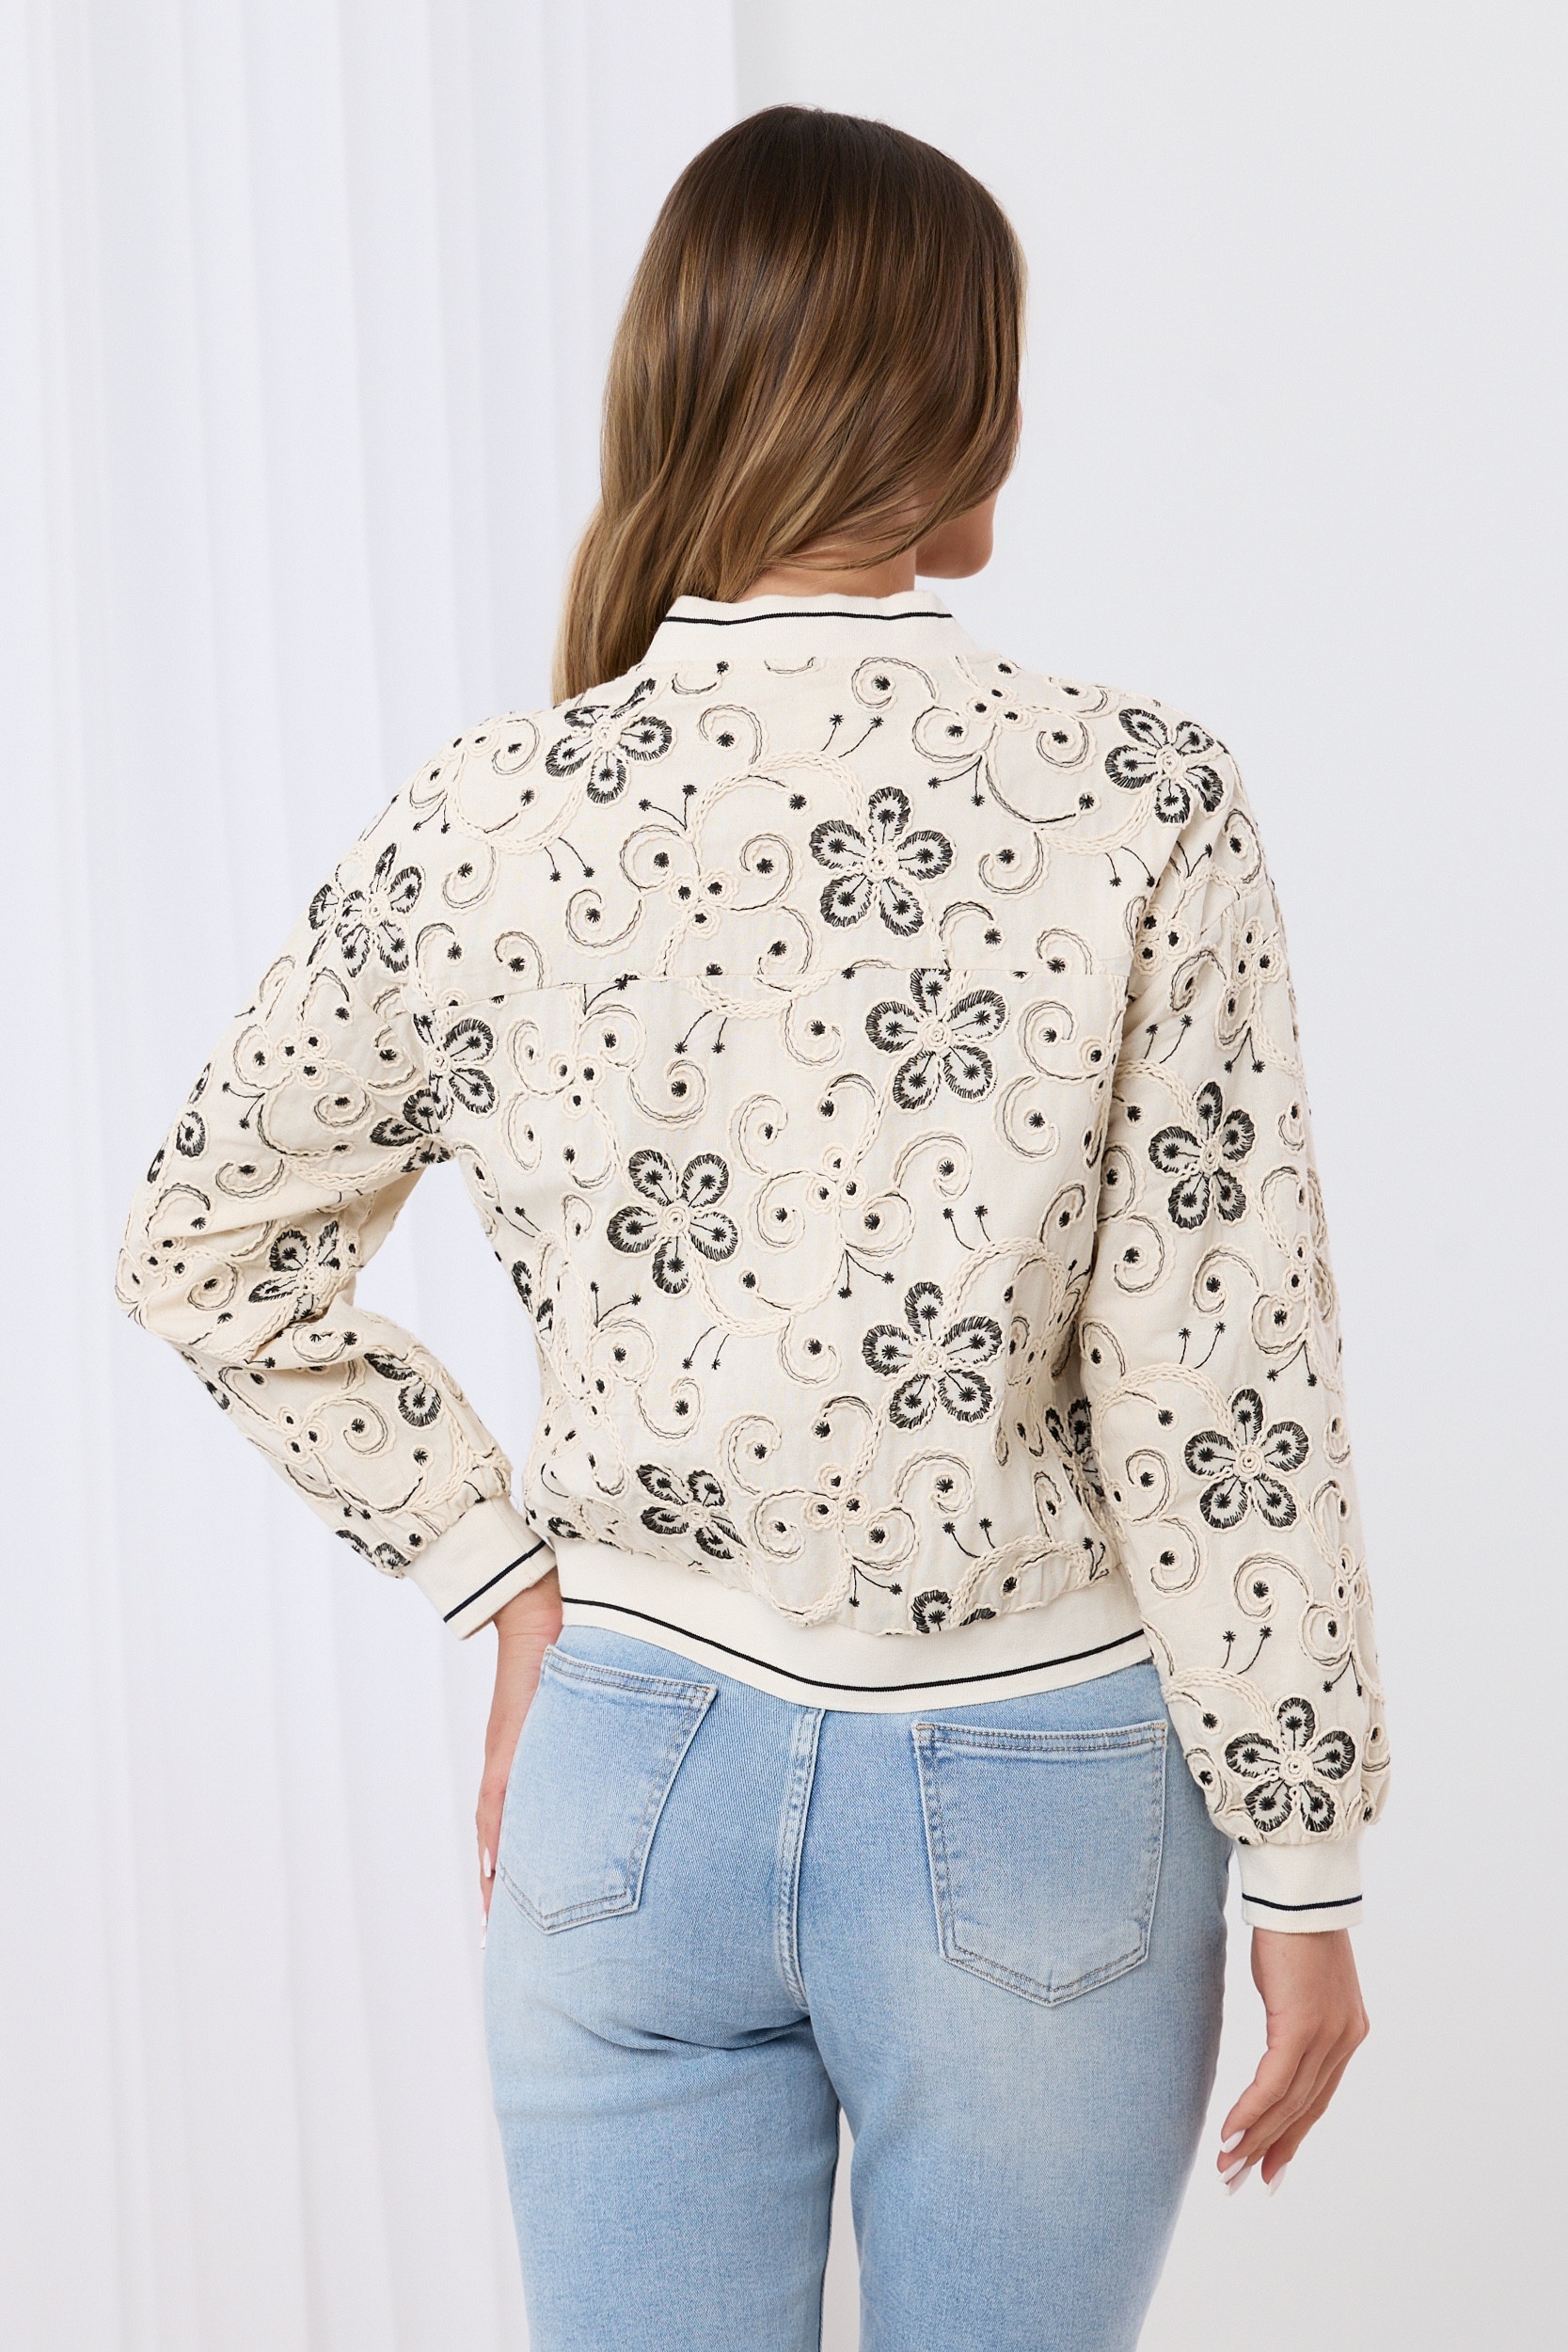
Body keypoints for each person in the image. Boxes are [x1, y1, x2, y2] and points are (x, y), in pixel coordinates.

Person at [117, 104, 1386, 2352]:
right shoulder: (1139, 796)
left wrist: (503, 1579)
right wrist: (1303, 1857)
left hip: (632, 1764)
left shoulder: (492, 811)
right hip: (1046, 1788)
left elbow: (204, 1243)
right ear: (963, 406)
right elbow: (1217, 1374)